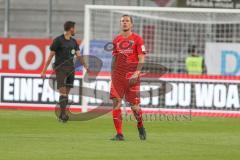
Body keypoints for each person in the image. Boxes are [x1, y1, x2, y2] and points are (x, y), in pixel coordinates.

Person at [41, 21, 89, 122]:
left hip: (71, 69)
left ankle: (62, 114)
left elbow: (79, 56)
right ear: (71, 29)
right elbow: (50, 56)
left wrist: (85, 66)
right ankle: (63, 115)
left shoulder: (74, 42)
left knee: (66, 94)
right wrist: (44, 70)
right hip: (60, 69)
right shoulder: (58, 40)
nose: (75, 30)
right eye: (74, 28)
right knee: (62, 92)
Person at [110, 15, 146, 141]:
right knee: (116, 103)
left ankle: (140, 124)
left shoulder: (138, 39)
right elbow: (114, 58)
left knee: (134, 107)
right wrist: (112, 74)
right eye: (122, 21)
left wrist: (137, 72)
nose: (124, 23)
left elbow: (141, 58)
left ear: (131, 24)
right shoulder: (116, 39)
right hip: (118, 76)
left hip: (132, 76)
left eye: (127, 21)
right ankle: (119, 134)